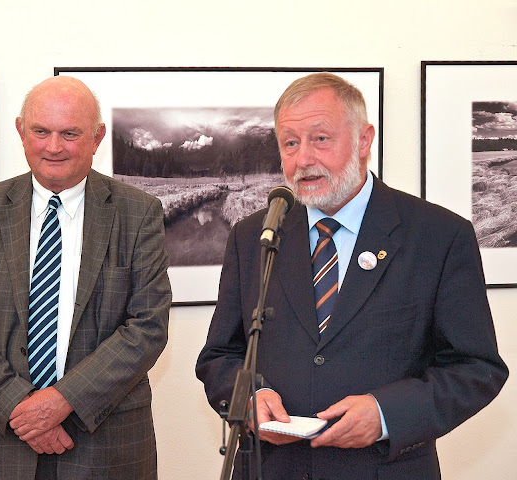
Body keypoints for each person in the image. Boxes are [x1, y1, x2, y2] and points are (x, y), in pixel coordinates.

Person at [195, 72, 508, 479]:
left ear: (363, 141)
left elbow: (476, 368)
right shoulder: (254, 235)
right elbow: (220, 355)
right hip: (272, 468)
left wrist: (386, 414)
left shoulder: (439, 235)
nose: (303, 159)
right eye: (290, 143)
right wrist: (250, 397)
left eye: (320, 139)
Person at [0, 76, 172, 480]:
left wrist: (62, 401)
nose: (53, 147)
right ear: (20, 131)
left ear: (97, 137)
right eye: (41, 132)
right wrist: (20, 405)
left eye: (70, 134)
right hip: (6, 439)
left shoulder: (138, 213)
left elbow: (148, 325)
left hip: (106, 442)